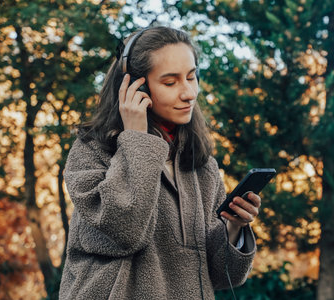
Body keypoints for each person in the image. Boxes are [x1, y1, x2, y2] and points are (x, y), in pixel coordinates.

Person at [59, 26, 261, 300]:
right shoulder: (92, 151)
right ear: (136, 87)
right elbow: (125, 230)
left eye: (192, 77)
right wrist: (136, 140)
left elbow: (222, 275)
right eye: (170, 82)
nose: (189, 93)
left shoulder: (201, 165)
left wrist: (233, 227)